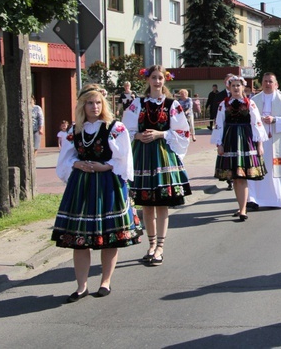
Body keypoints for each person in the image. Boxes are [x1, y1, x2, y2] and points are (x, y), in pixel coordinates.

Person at [52, 84, 141, 302]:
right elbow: (65, 158)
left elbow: (124, 158)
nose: (94, 106)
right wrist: (77, 164)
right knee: (79, 238)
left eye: (98, 102)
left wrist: (106, 166)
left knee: (109, 236)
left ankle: (105, 281)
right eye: (90, 103)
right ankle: (81, 286)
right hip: (81, 185)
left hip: (107, 184)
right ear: (83, 105)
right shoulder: (75, 130)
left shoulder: (114, 127)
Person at [122, 65, 191, 266]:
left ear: (165, 80)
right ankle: (151, 245)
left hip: (162, 154)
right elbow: (123, 128)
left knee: (161, 204)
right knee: (147, 204)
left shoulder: (172, 104)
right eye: (154, 77)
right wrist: (137, 135)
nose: (157, 81)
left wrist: (160, 134)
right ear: (148, 80)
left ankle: (160, 247)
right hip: (142, 154)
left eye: (160, 78)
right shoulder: (138, 103)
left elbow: (183, 131)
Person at [211, 75, 268, 221]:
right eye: (233, 85)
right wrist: (220, 144)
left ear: (243, 87)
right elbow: (219, 125)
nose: (236, 88)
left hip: (245, 141)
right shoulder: (223, 104)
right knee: (236, 177)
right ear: (229, 87)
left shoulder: (250, 103)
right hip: (230, 140)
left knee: (242, 176)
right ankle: (241, 206)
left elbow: (257, 124)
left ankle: (243, 209)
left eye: (238, 85)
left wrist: (259, 144)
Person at [250, 72, 281, 208]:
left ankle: (280, 198)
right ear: (261, 83)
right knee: (262, 169)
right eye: (265, 81)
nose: (267, 84)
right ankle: (258, 199)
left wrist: (274, 119)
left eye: (270, 81)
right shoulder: (254, 100)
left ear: (276, 84)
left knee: (277, 169)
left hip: (279, 142)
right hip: (261, 142)